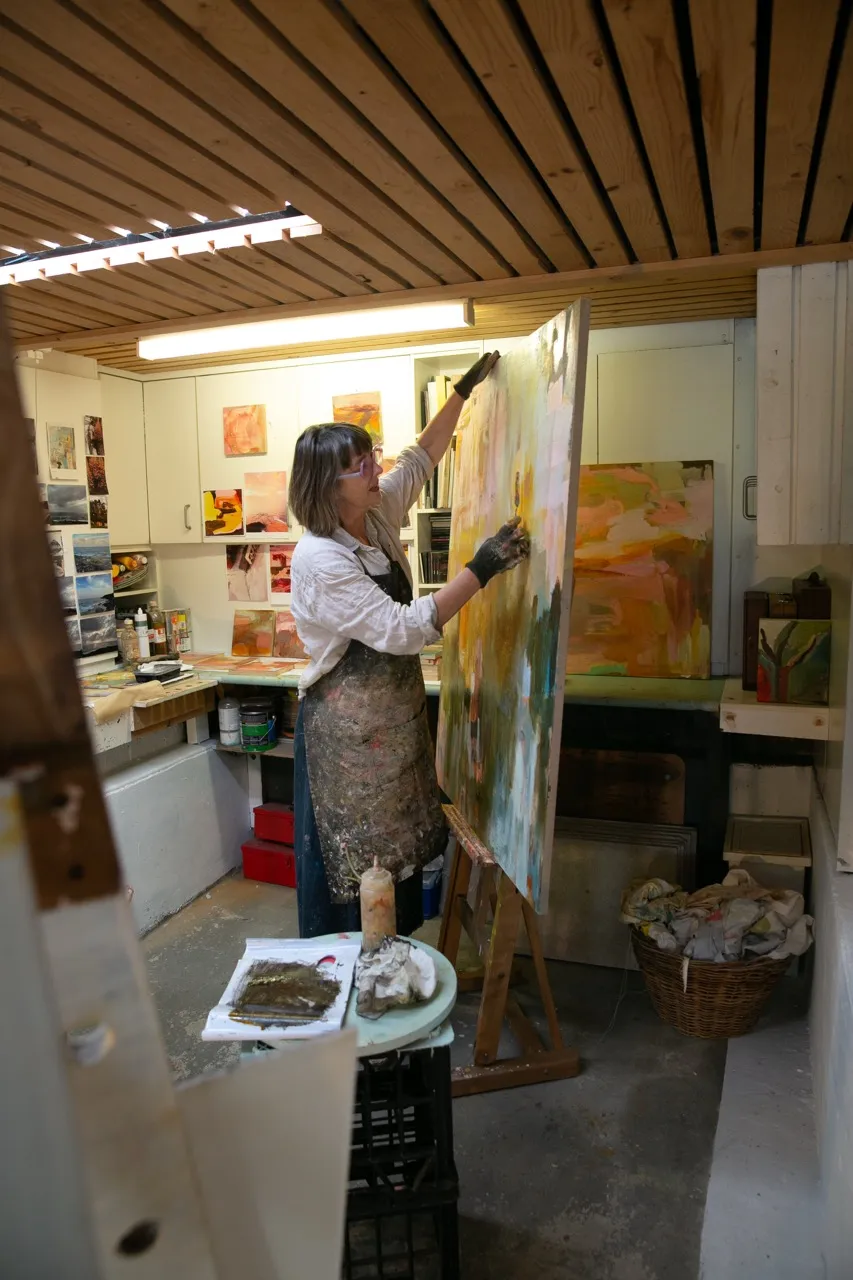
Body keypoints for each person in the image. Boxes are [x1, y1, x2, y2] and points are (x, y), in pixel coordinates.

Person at [289, 353, 530, 939]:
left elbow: (420, 460)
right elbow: (402, 629)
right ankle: (357, 999)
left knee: (398, 868)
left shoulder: (371, 517)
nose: (376, 469)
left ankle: (395, 976)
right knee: (356, 886)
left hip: (393, 732)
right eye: (359, 466)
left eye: (371, 456)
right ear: (329, 487)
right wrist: (482, 567)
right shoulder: (320, 559)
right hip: (346, 746)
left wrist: (461, 394)